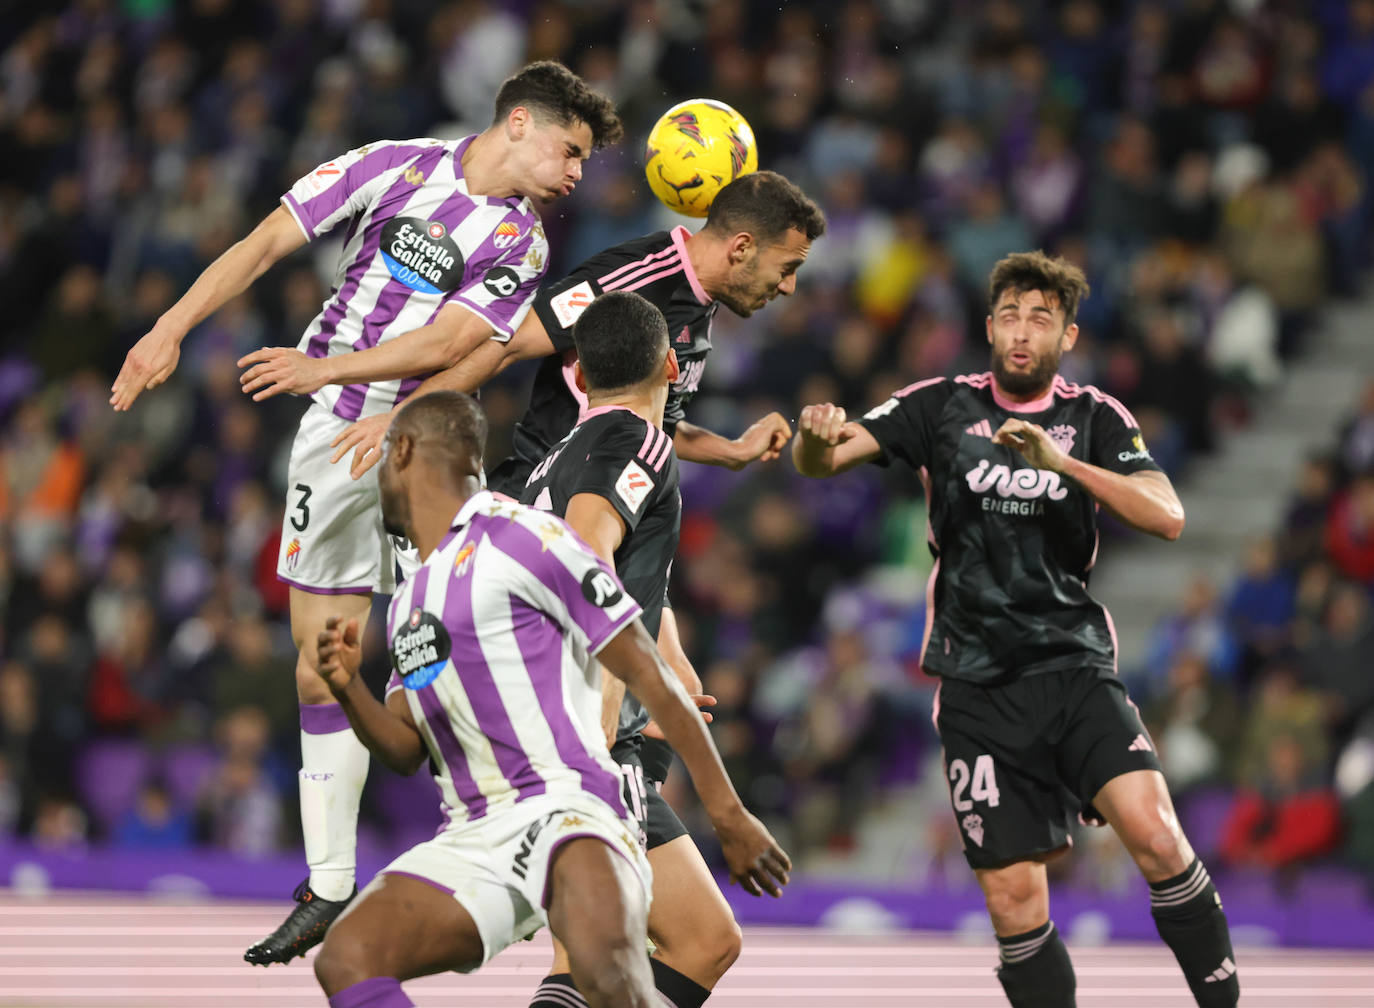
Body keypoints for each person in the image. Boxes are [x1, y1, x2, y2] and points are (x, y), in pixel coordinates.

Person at [110, 61, 624, 965]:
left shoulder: (523, 243)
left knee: (469, 625)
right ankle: (330, 882)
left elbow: (459, 345)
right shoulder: (395, 164)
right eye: (570, 149)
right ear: (517, 124)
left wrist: (355, 386)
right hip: (337, 436)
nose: (577, 172)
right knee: (321, 665)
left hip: (425, 442)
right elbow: (268, 241)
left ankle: (554, 817)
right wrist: (171, 327)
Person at [792, 251, 1239, 1008]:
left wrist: (1066, 466)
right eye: (1009, 316)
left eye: (1040, 319)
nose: (1022, 332)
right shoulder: (938, 406)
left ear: (1067, 336)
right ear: (990, 327)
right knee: (1015, 906)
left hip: (1074, 669)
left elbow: (1167, 515)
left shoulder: (1096, 417)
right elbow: (819, 463)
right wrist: (812, 433)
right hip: (977, 687)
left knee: (1159, 837)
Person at [310, 389, 789, 1008]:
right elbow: (405, 747)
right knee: (349, 957)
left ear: (402, 450)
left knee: (608, 977)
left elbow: (647, 669)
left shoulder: (523, 536)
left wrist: (728, 814)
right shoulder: (412, 597)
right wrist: (348, 687)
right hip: (475, 833)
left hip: (570, 809)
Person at [519, 290, 731, 1008]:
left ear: (577, 372)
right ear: (673, 364)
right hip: (590, 731)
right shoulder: (639, 441)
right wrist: (605, 709)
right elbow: (588, 556)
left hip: (550, 715)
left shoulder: (556, 458)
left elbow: (625, 567)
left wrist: (669, 660)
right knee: (600, 953)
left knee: (702, 940)